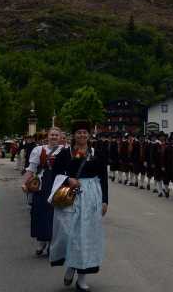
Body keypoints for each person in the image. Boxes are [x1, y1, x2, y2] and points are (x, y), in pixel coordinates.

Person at [50, 120, 108, 292]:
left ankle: (82, 278)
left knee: (87, 237)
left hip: (91, 197)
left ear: (89, 135)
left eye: (85, 132)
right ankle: (70, 265)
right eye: (79, 132)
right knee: (69, 233)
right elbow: (55, 173)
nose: (82, 135)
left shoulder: (96, 153)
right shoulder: (65, 153)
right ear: (73, 135)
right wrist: (68, 179)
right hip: (70, 196)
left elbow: (103, 177)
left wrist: (105, 200)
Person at [22, 127, 63, 256]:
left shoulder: (64, 151)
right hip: (42, 183)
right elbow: (31, 168)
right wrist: (25, 183)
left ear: (60, 137)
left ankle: (51, 242)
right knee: (40, 211)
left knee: (55, 213)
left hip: (58, 183)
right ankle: (42, 241)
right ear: (48, 136)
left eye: (57, 135)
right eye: (52, 135)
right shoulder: (39, 150)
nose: (54, 137)